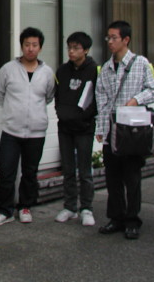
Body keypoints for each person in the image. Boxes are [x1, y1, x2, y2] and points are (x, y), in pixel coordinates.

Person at [95, 20, 154, 240]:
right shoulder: (106, 68)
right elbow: (101, 100)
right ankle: (116, 218)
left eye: (114, 37)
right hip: (112, 132)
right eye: (108, 37)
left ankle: (132, 220)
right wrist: (100, 128)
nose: (110, 42)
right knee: (112, 178)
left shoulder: (141, 63)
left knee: (132, 178)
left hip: (133, 132)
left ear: (126, 39)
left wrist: (136, 100)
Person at [0, 27, 55, 226]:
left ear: (40, 47)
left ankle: (25, 207)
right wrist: (12, 110)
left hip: (36, 132)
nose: (30, 49)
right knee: (6, 172)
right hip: (11, 131)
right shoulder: (8, 69)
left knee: (30, 172)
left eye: (34, 45)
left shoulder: (47, 72)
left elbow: (49, 96)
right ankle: (5, 210)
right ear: (21, 46)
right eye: (27, 45)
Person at [54, 32, 98, 227]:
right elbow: (58, 96)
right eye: (69, 48)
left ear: (86, 50)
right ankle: (70, 206)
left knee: (85, 171)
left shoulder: (94, 70)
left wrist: (83, 117)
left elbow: (96, 99)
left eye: (76, 48)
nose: (71, 52)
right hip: (65, 127)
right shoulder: (62, 71)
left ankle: (86, 208)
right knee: (68, 169)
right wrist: (61, 112)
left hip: (84, 128)